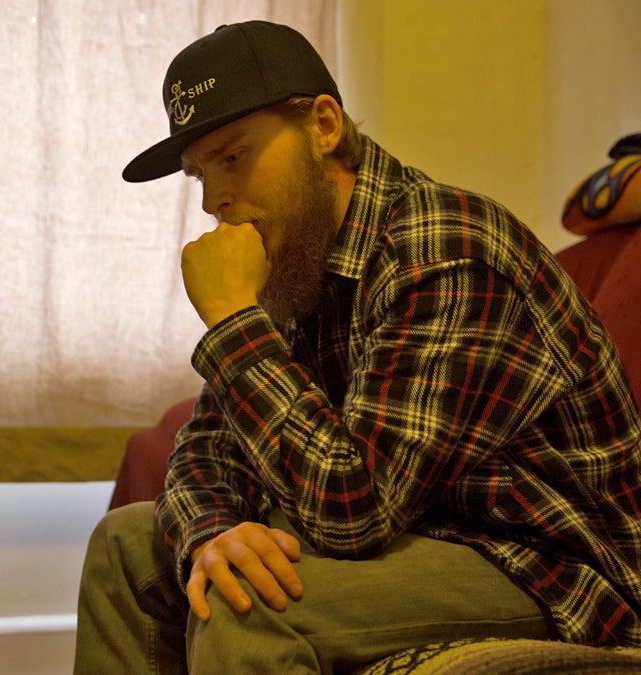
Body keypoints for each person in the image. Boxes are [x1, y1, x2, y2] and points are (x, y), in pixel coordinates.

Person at [74, 20, 641, 674]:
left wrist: (231, 323)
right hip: (421, 537)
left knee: (249, 605)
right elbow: (207, 446)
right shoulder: (298, 262)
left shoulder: (443, 250)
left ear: (323, 126)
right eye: (200, 174)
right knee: (123, 548)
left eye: (233, 157)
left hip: (546, 563)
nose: (214, 201)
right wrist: (210, 532)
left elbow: (353, 509)